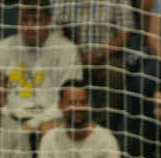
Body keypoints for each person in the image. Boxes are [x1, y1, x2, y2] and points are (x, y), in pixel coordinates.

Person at [0, 0, 82, 134]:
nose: (29, 26)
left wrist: (33, 124)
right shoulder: (2, 48)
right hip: (8, 119)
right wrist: (10, 124)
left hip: (48, 120)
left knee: (51, 129)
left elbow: (68, 99)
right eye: (24, 20)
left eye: (35, 20)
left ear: (48, 21)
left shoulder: (66, 50)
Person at [52, 0, 133, 129]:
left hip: (106, 57)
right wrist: (72, 52)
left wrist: (100, 54)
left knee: (115, 72)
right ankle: (60, 123)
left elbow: (125, 34)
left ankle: (99, 128)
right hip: (70, 56)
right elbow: (53, 31)